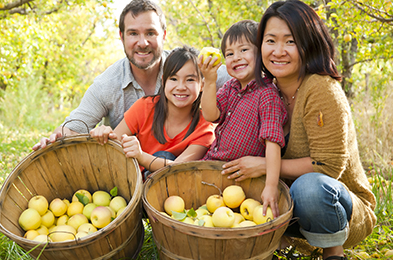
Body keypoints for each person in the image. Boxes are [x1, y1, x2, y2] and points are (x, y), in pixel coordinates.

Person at [220, 1, 377, 259]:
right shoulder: (263, 89)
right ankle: (272, 244)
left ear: (308, 44)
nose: (278, 51)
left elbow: (328, 166)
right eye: (270, 41)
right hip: (278, 199)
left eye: (290, 42)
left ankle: (332, 252)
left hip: (334, 203)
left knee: (309, 188)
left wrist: (264, 165)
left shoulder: (321, 89)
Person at [32, 0, 230, 151]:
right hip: (129, 174)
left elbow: (241, 81)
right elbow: (75, 126)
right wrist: (55, 138)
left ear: (163, 35)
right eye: (133, 33)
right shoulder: (107, 84)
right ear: (122, 36)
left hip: (184, 167)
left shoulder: (189, 66)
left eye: (151, 33)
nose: (142, 42)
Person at [199, 20, 287, 218]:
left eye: (243, 50)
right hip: (214, 164)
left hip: (245, 176)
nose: (236, 58)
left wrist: (271, 186)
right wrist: (210, 81)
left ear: (261, 53)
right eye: (229, 54)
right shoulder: (230, 87)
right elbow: (210, 114)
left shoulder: (267, 94)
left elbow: (273, 141)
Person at [90, 46, 214, 179]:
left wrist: (141, 156)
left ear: (202, 85)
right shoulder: (145, 108)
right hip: (132, 180)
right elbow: (113, 144)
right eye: (173, 79)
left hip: (173, 188)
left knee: (164, 157)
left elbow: (178, 168)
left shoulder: (205, 128)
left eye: (190, 80)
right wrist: (103, 135)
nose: (181, 87)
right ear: (163, 81)